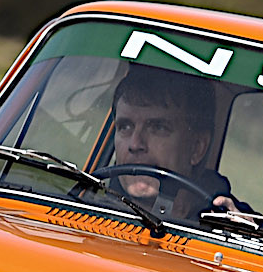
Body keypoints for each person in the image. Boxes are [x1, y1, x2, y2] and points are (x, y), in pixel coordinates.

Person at [105, 65, 245, 221]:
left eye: (158, 128)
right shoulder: (87, 206)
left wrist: (240, 232)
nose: (135, 144)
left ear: (197, 148)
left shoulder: (235, 225)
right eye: (125, 127)